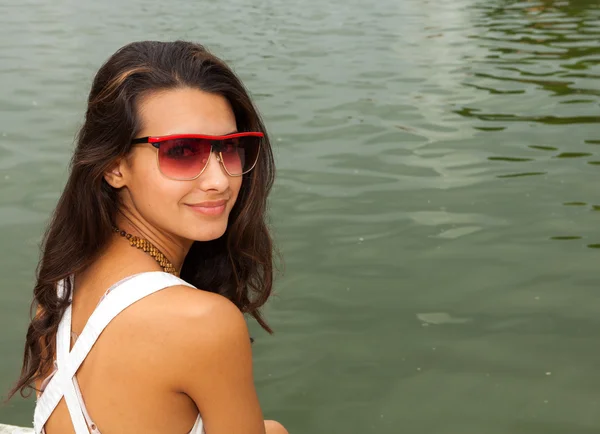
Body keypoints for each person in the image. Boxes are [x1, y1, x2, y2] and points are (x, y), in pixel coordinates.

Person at [7, 40, 288, 434]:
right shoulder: (203, 323)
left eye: (231, 148)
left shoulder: (58, 291)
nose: (220, 179)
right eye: (182, 151)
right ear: (113, 165)